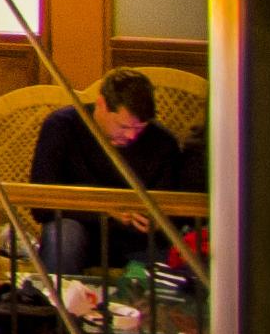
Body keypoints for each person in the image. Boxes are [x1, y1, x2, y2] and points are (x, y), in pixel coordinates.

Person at [28, 70, 200, 278]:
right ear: (102, 104)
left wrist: (158, 220)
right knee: (63, 233)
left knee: (183, 255)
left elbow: (174, 208)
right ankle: (56, 307)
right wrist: (105, 208)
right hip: (83, 231)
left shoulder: (162, 142)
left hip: (138, 241)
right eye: (123, 126)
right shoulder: (63, 126)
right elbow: (40, 205)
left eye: (140, 128)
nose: (131, 135)